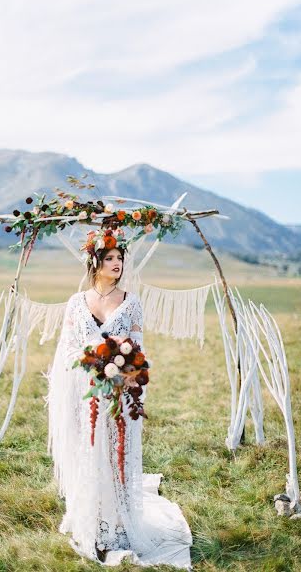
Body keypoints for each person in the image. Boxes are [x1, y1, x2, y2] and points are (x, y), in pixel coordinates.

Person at [47, 229, 193, 569]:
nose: (117, 264)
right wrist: (92, 361)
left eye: (120, 259)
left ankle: (119, 524)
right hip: (87, 394)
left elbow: (139, 346)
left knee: (117, 454)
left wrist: (126, 369)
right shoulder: (76, 302)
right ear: (95, 263)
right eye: (110, 259)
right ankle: (93, 520)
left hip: (121, 394)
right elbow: (67, 347)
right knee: (91, 453)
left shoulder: (131, 301)